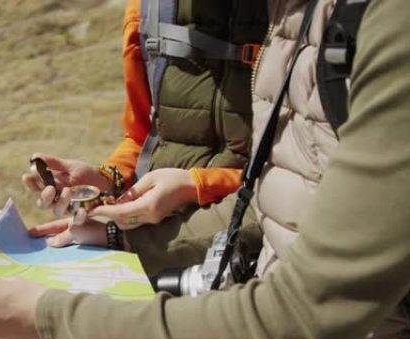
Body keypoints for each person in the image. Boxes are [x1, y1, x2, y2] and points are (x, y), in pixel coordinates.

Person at [0, 0, 410, 339]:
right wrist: (114, 197)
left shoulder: (370, 24)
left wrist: (57, 322)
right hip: (248, 282)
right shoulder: (291, 18)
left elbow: (301, 321)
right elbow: (284, 190)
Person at [24, 0, 267, 276]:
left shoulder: (298, 17)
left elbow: (305, 178)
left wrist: (197, 185)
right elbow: (144, 135)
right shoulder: (149, 9)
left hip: (255, 253)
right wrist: (106, 179)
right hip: (152, 246)